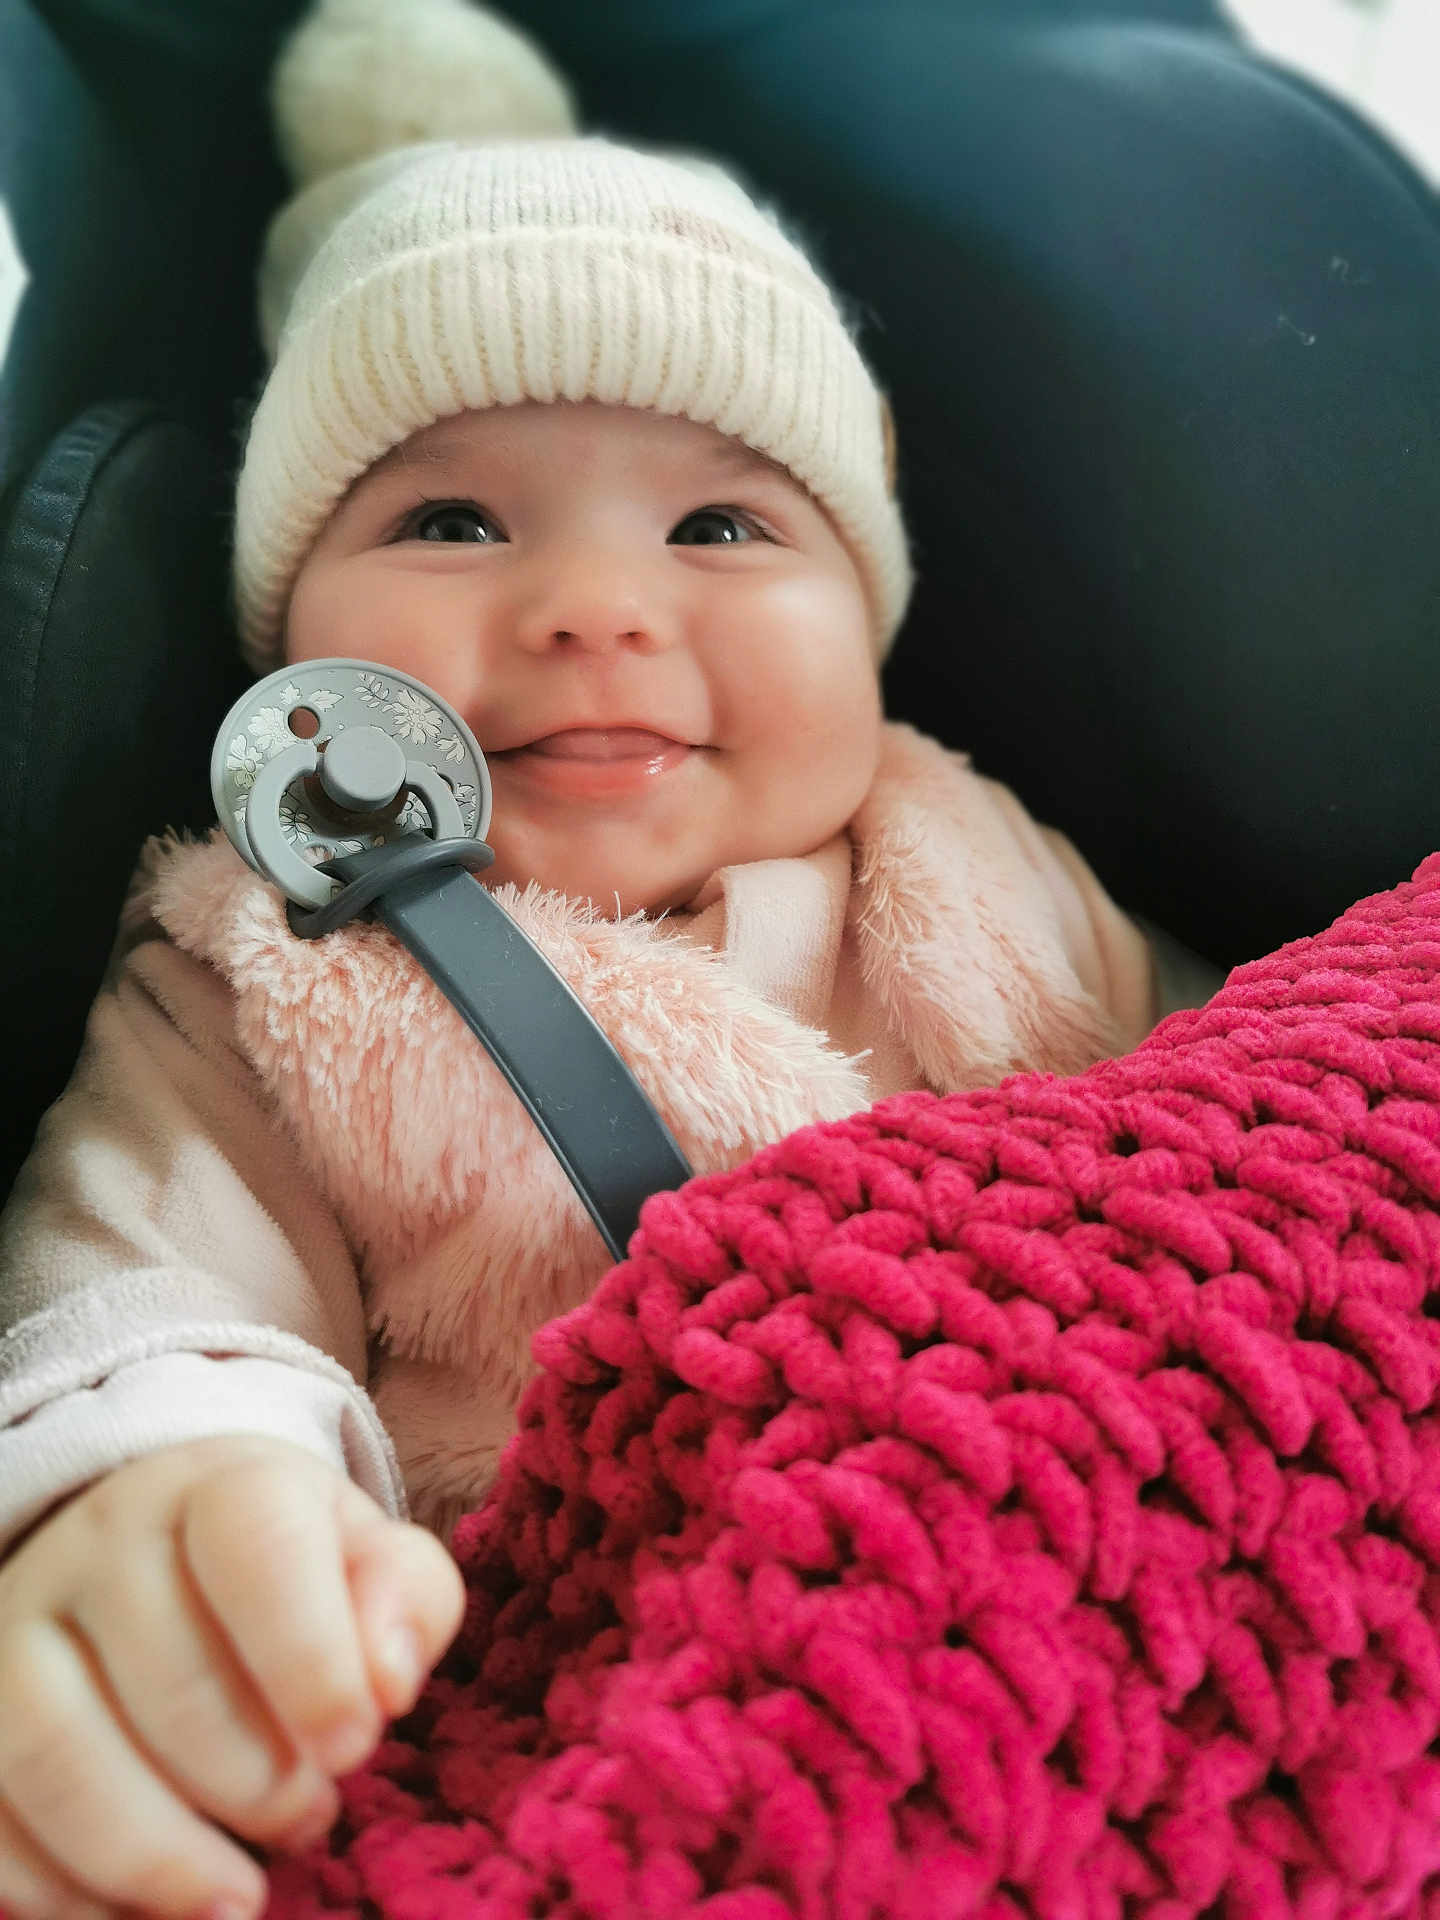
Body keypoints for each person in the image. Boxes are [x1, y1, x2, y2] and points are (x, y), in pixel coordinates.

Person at [0, 1, 1219, 1913]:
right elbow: (155, 1294)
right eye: (451, 518)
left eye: (720, 522)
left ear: (870, 613)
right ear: (288, 636)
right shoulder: (265, 962)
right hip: (596, 1698)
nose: (590, 608)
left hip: (1072, 1606)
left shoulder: (980, 856)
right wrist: (172, 1500)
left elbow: (1225, 1133)